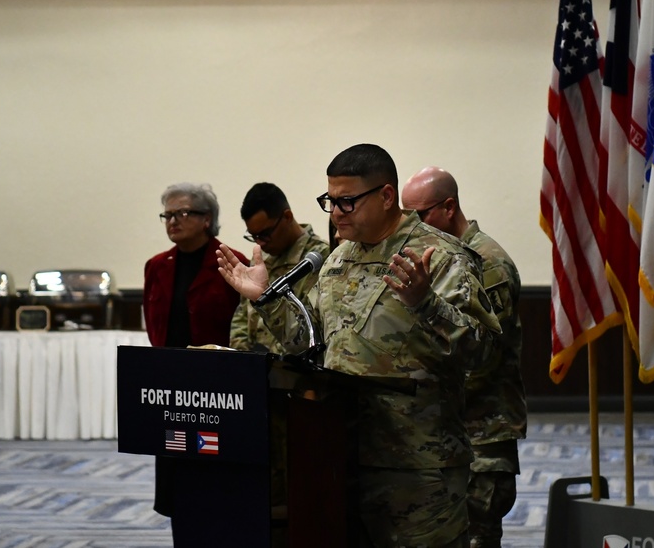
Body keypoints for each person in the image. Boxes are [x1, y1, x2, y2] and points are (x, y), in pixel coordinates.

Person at [216, 143, 500, 548]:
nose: (334, 214)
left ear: (386, 197)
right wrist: (266, 300)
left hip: (418, 468)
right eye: (329, 202)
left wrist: (428, 305)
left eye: (346, 203)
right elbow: (307, 342)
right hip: (340, 456)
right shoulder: (338, 259)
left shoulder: (439, 258)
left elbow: (484, 353)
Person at [401, 166, 526, 548]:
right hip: (447, 431)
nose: (411, 226)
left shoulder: (487, 264)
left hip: (483, 433)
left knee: (477, 535)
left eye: (419, 215)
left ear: (449, 206)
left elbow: (483, 359)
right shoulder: (439, 258)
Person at [142, 182, 248, 539]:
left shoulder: (231, 262)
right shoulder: (156, 266)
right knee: (178, 480)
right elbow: (154, 323)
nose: (173, 221)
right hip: (172, 391)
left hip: (218, 390)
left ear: (207, 219)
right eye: (168, 215)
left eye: (182, 213)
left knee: (215, 478)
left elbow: (243, 327)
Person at [229, 182, 330, 355]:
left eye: (265, 234)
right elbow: (242, 316)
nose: (260, 243)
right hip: (253, 368)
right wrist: (242, 356)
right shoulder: (261, 258)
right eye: (254, 237)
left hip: (294, 370)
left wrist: (269, 360)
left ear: (287, 217)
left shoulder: (319, 258)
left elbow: (313, 326)